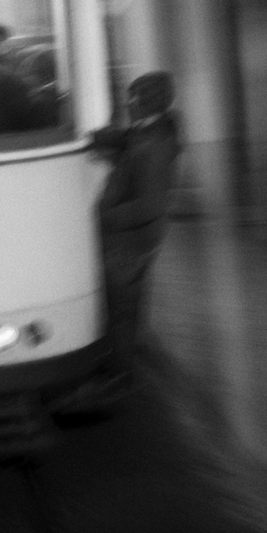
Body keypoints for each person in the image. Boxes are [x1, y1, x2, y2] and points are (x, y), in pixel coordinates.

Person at [48, 71, 180, 415]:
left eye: (134, 98)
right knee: (125, 308)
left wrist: (107, 217)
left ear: (149, 102)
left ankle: (118, 378)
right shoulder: (146, 131)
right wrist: (97, 136)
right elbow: (123, 138)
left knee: (121, 311)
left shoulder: (154, 147)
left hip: (130, 241)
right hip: (130, 239)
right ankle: (118, 368)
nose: (128, 103)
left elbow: (150, 206)